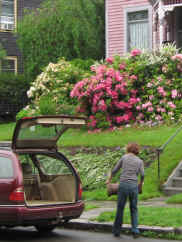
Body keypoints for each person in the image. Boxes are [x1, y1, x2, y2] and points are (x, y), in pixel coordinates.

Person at [106, 142, 144, 238]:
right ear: (137, 150)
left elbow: (115, 170)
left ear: (128, 149)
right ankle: (135, 231)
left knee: (120, 208)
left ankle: (117, 231)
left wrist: (109, 179)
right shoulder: (139, 161)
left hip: (123, 185)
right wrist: (140, 183)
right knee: (134, 208)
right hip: (134, 186)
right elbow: (143, 174)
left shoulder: (124, 157)